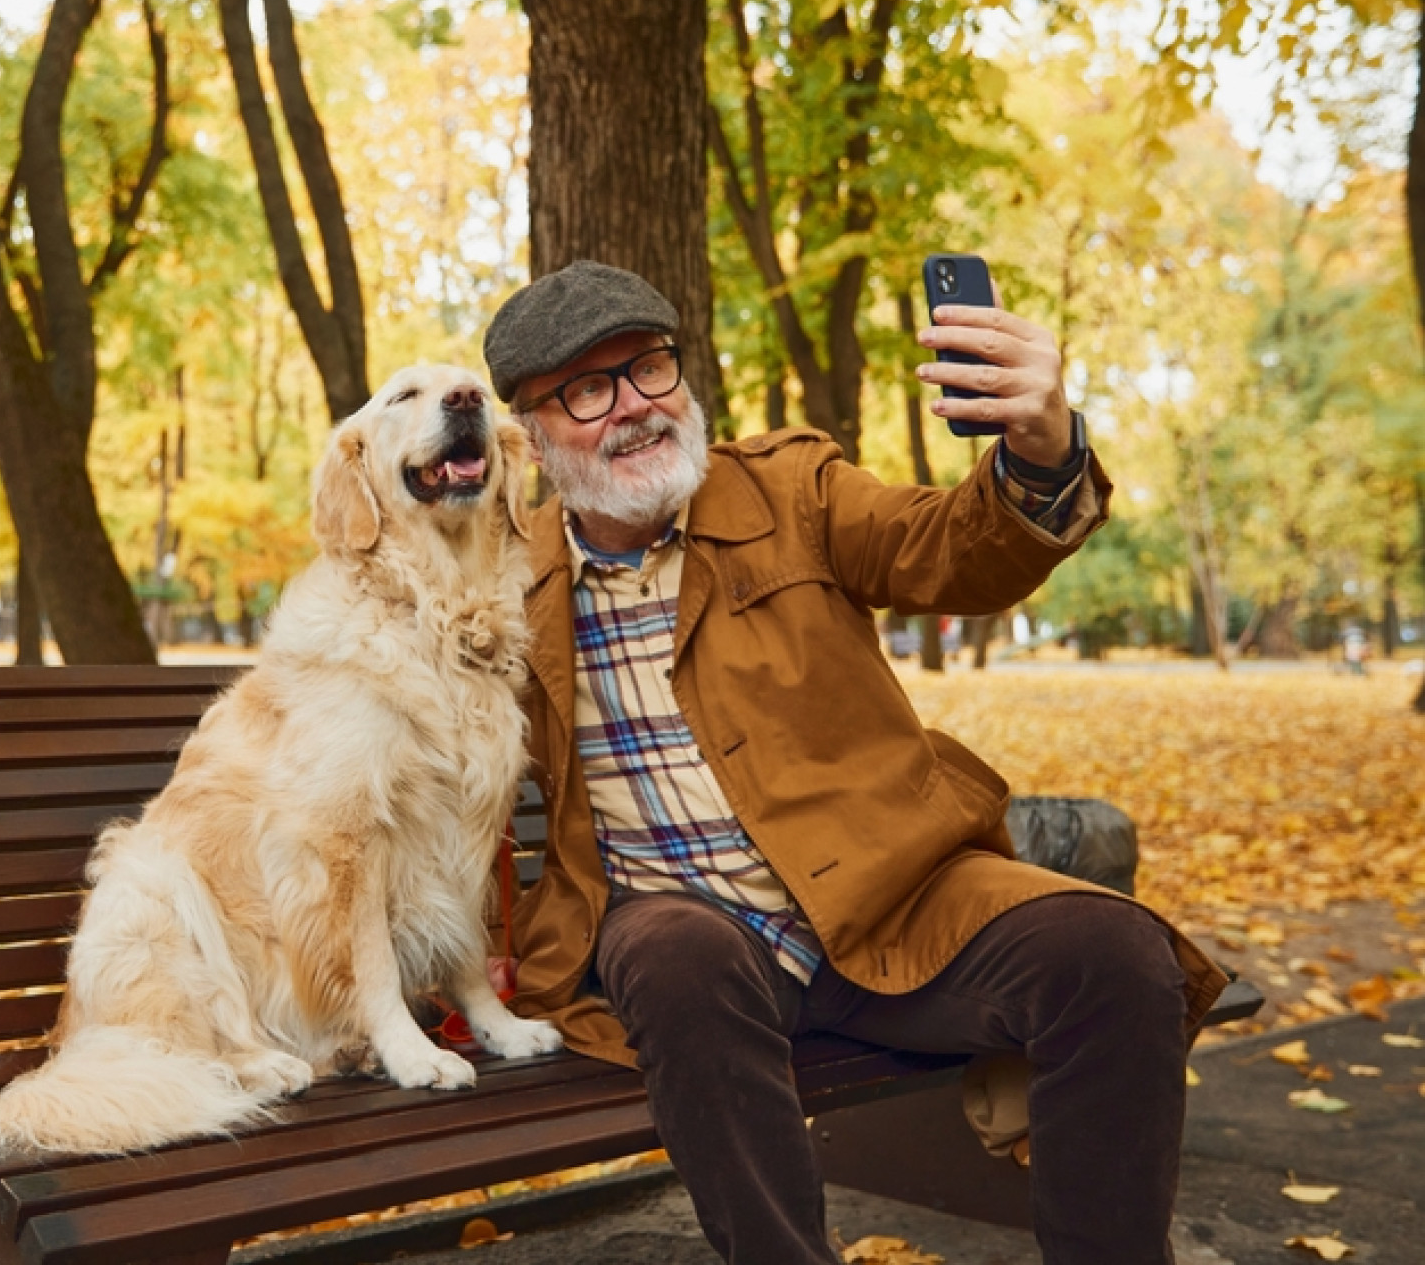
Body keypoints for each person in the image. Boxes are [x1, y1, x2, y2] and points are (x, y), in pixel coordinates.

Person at [481, 261, 1225, 1265]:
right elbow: (430, 766)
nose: (635, 408)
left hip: (894, 899)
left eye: (650, 367)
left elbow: (952, 548)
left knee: (1117, 953)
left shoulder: (791, 487)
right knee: (670, 955)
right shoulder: (501, 582)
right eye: (586, 389)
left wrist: (1040, 448)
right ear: (530, 433)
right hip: (693, 928)